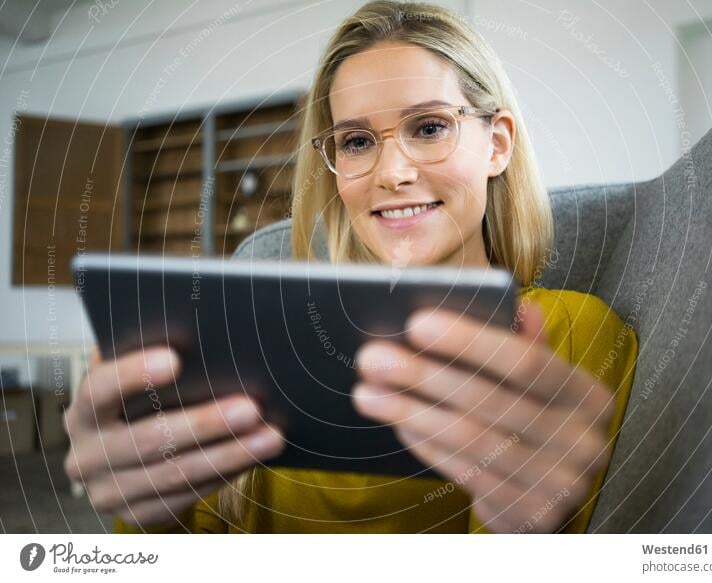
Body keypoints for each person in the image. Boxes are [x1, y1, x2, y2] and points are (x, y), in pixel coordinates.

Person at [63, 0, 638, 534]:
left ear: (497, 144)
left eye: (430, 127)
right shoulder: (260, 342)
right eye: (357, 141)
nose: (392, 172)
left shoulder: (575, 338)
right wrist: (148, 520)